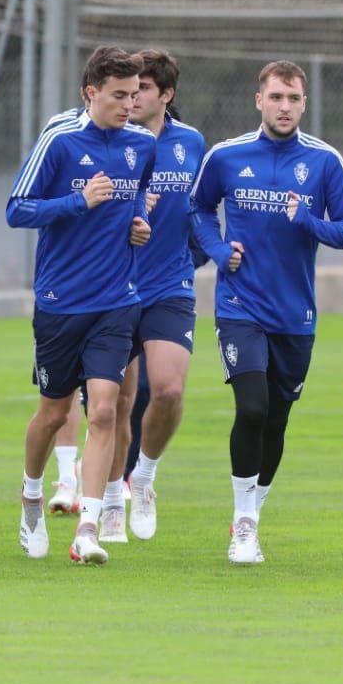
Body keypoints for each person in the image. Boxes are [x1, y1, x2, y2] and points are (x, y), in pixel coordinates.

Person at [189, 59, 343, 565]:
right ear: (258, 100)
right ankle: (243, 525)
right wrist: (220, 253)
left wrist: (307, 219)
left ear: (304, 104)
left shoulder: (325, 162)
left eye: (293, 99)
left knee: (277, 421)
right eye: (276, 97)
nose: (284, 107)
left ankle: (254, 512)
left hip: (295, 314)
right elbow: (198, 211)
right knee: (252, 409)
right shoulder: (226, 156)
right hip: (240, 306)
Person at [7, 46, 154, 565]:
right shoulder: (59, 142)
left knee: (108, 409)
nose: (129, 105)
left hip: (117, 300)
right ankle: (29, 497)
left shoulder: (142, 144)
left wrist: (138, 225)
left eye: (135, 94)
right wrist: (78, 201)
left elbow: (133, 204)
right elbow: (16, 210)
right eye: (118, 95)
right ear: (90, 92)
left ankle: (88, 528)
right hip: (59, 301)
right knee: (51, 414)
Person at [101, 48, 207, 544]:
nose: (133, 97)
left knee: (168, 390)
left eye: (142, 88)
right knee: (117, 404)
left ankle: (143, 477)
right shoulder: (111, 142)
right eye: (126, 89)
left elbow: (201, 209)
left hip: (170, 284)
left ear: (165, 95)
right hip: (115, 286)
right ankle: (112, 500)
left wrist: (211, 248)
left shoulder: (192, 144)